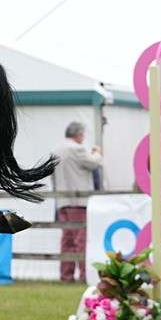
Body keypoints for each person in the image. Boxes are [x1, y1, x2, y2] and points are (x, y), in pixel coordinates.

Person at [51, 121, 104, 284]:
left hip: (62, 200)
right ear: (78, 134)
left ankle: (66, 276)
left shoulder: (56, 150)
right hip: (78, 200)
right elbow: (95, 163)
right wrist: (97, 152)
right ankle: (84, 275)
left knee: (66, 239)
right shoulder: (77, 149)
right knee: (80, 239)